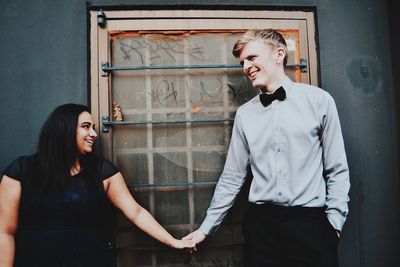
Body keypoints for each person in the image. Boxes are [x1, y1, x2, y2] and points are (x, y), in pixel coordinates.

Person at [183, 29, 350, 267]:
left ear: (279, 54)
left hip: (311, 227)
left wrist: (334, 224)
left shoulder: (320, 101)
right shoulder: (245, 115)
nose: (245, 67)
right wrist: (205, 229)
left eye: (252, 58)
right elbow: (232, 177)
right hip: (261, 229)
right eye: (242, 62)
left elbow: (337, 170)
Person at [0, 103, 194, 267]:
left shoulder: (102, 171)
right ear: (64, 129)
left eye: (92, 127)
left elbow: (135, 212)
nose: (93, 133)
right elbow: (4, 232)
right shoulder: (21, 171)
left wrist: (173, 242)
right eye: (86, 126)